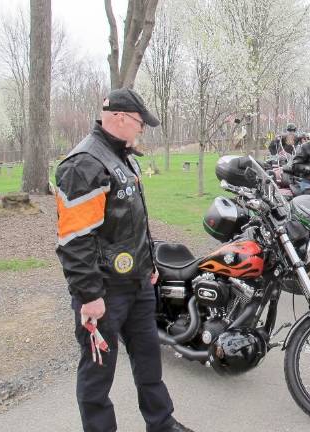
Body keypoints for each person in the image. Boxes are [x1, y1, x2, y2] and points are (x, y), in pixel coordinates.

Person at [55, 88, 193, 432]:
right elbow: (74, 240)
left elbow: (133, 223)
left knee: (149, 363)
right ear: (118, 118)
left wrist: (149, 266)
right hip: (104, 292)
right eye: (139, 123)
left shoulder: (123, 156)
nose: (142, 129)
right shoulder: (85, 163)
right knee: (97, 376)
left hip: (137, 286)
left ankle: (161, 423)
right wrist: (89, 295)